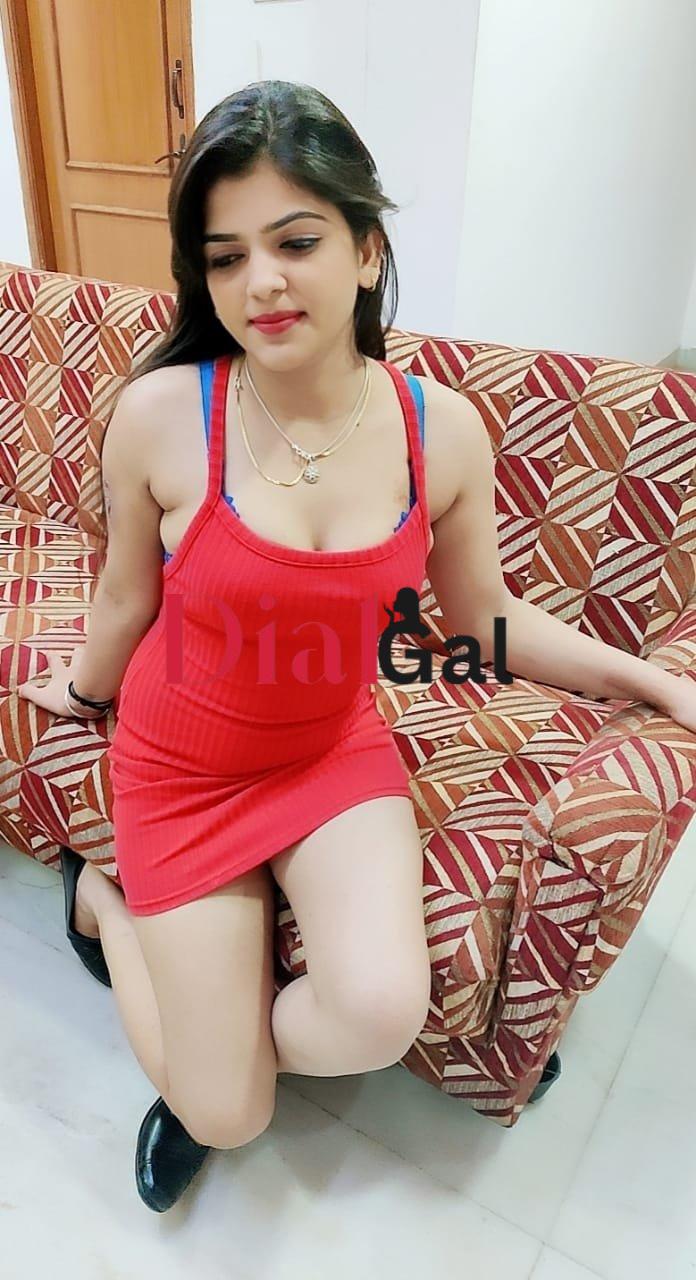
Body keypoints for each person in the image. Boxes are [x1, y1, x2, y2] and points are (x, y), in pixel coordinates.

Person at [17, 80, 439, 1213]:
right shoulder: (163, 412)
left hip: (329, 749)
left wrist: (656, 683)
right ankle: (104, 907)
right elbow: (124, 596)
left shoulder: (437, 429)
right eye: (224, 256)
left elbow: (492, 610)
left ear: (366, 249)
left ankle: (220, 1036)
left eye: (296, 241)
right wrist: (80, 691)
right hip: (184, 768)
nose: (260, 282)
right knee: (228, 1114)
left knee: (379, 1012)